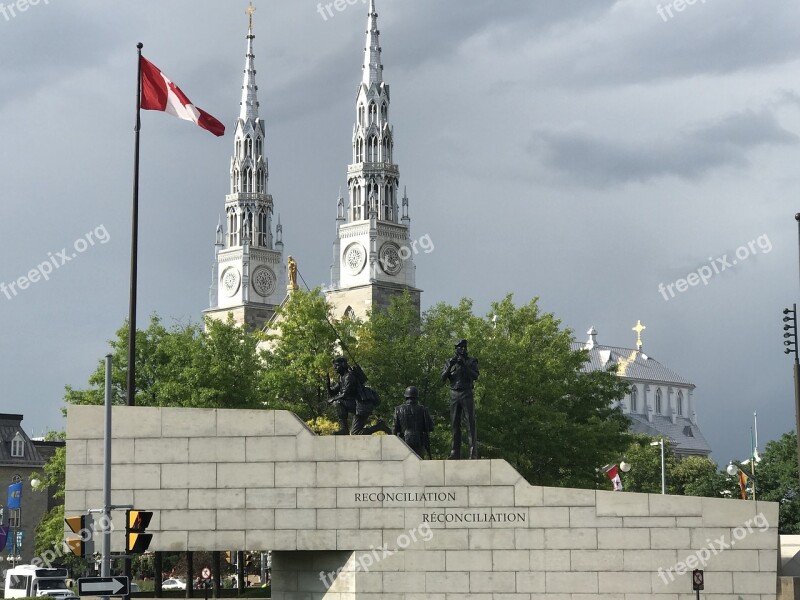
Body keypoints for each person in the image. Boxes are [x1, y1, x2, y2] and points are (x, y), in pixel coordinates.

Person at [327, 356, 390, 435]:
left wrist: (333, 399)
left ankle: (345, 429)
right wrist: (327, 385)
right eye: (334, 366)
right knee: (356, 433)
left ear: (343, 365)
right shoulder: (341, 378)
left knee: (338, 402)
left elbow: (345, 394)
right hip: (356, 405)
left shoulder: (349, 377)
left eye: (337, 365)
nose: (335, 368)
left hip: (362, 405)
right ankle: (379, 426)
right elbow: (333, 393)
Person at [441, 339, 480, 459]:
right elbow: (442, 378)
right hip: (454, 393)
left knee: (470, 423)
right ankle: (455, 451)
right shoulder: (449, 361)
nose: (463, 349)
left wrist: (464, 365)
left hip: (466, 392)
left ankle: (473, 452)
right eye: (460, 347)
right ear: (456, 349)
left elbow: (475, 376)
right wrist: (450, 366)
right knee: (455, 424)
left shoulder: (471, 361)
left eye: (464, 347)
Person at [392, 386, 433, 458]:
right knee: (418, 463)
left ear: (406, 397)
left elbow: (395, 428)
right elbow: (430, 427)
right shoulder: (423, 409)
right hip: (419, 441)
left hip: (403, 441)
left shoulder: (398, 409)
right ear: (416, 397)